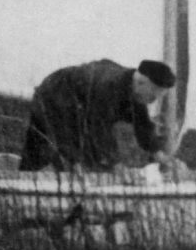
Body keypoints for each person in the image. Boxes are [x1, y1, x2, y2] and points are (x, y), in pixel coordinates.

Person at [18, 57, 178, 172]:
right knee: (51, 150)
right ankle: (29, 182)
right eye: (153, 96)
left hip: (77, 105)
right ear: (141, 82)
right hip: (54, 96)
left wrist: (159, 154)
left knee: (88, 159)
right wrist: (115, 165)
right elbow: (98, 131)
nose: (153, 100)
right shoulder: (108, 87)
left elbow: (142, 125)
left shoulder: (135, 88)